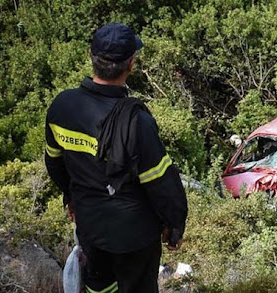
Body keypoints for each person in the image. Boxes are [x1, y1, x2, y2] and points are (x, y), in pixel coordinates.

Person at [45, 23, 188, 293]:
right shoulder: (137, 121)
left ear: (91, 56)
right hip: (134, 236)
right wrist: (174, 224)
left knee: (99, 288)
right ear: (130, 64)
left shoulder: (62, 107)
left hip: (91, 227)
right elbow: (161, 182)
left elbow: (55, 163)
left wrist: (72, 196)